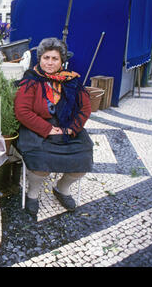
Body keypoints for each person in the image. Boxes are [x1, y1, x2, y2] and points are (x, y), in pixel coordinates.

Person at [14, 37, 93, 218]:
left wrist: (72, 128)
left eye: (54, 59)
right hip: (36, 127)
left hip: (66, 128)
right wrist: (47, 129)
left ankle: (61, 188)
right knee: (41, 160)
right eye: (46, 58)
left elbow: (85, 108)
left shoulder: (71, 80)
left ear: (62, 61)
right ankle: (33, 192)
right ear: (40, 59)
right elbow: (22, 111)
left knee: (83, 157)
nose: (49, 62)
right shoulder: (30, 80)